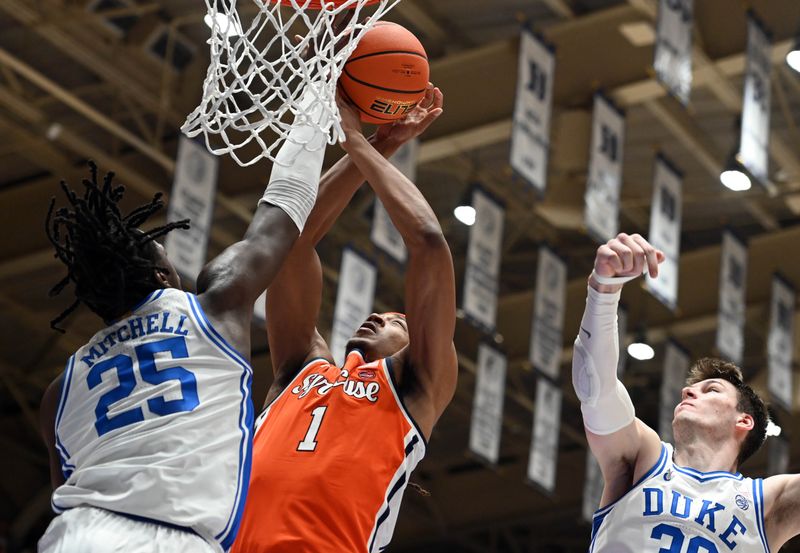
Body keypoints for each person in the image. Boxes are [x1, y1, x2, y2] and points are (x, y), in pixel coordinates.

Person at [37, 90, 329, 553]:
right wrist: (322, 98)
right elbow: (283, 206)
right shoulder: (213, 307)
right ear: (161, 276)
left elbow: (62, 491)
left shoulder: (60, 392)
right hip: (173, 536)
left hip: (76, 532)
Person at [231, 84, 457, 553]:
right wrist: (380, 144)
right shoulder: (302, 367)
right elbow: (293, 243)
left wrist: (354, 139)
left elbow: (429, 243)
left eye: (397, 320)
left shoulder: (415, 388)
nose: (376, 315)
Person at [574, 232, 800, 551]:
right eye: (690, 388)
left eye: (711, 389)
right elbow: (594, 386)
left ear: (744, 421)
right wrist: (603, 289)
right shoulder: (645, 457)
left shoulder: (767, 504)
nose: (688, 392)